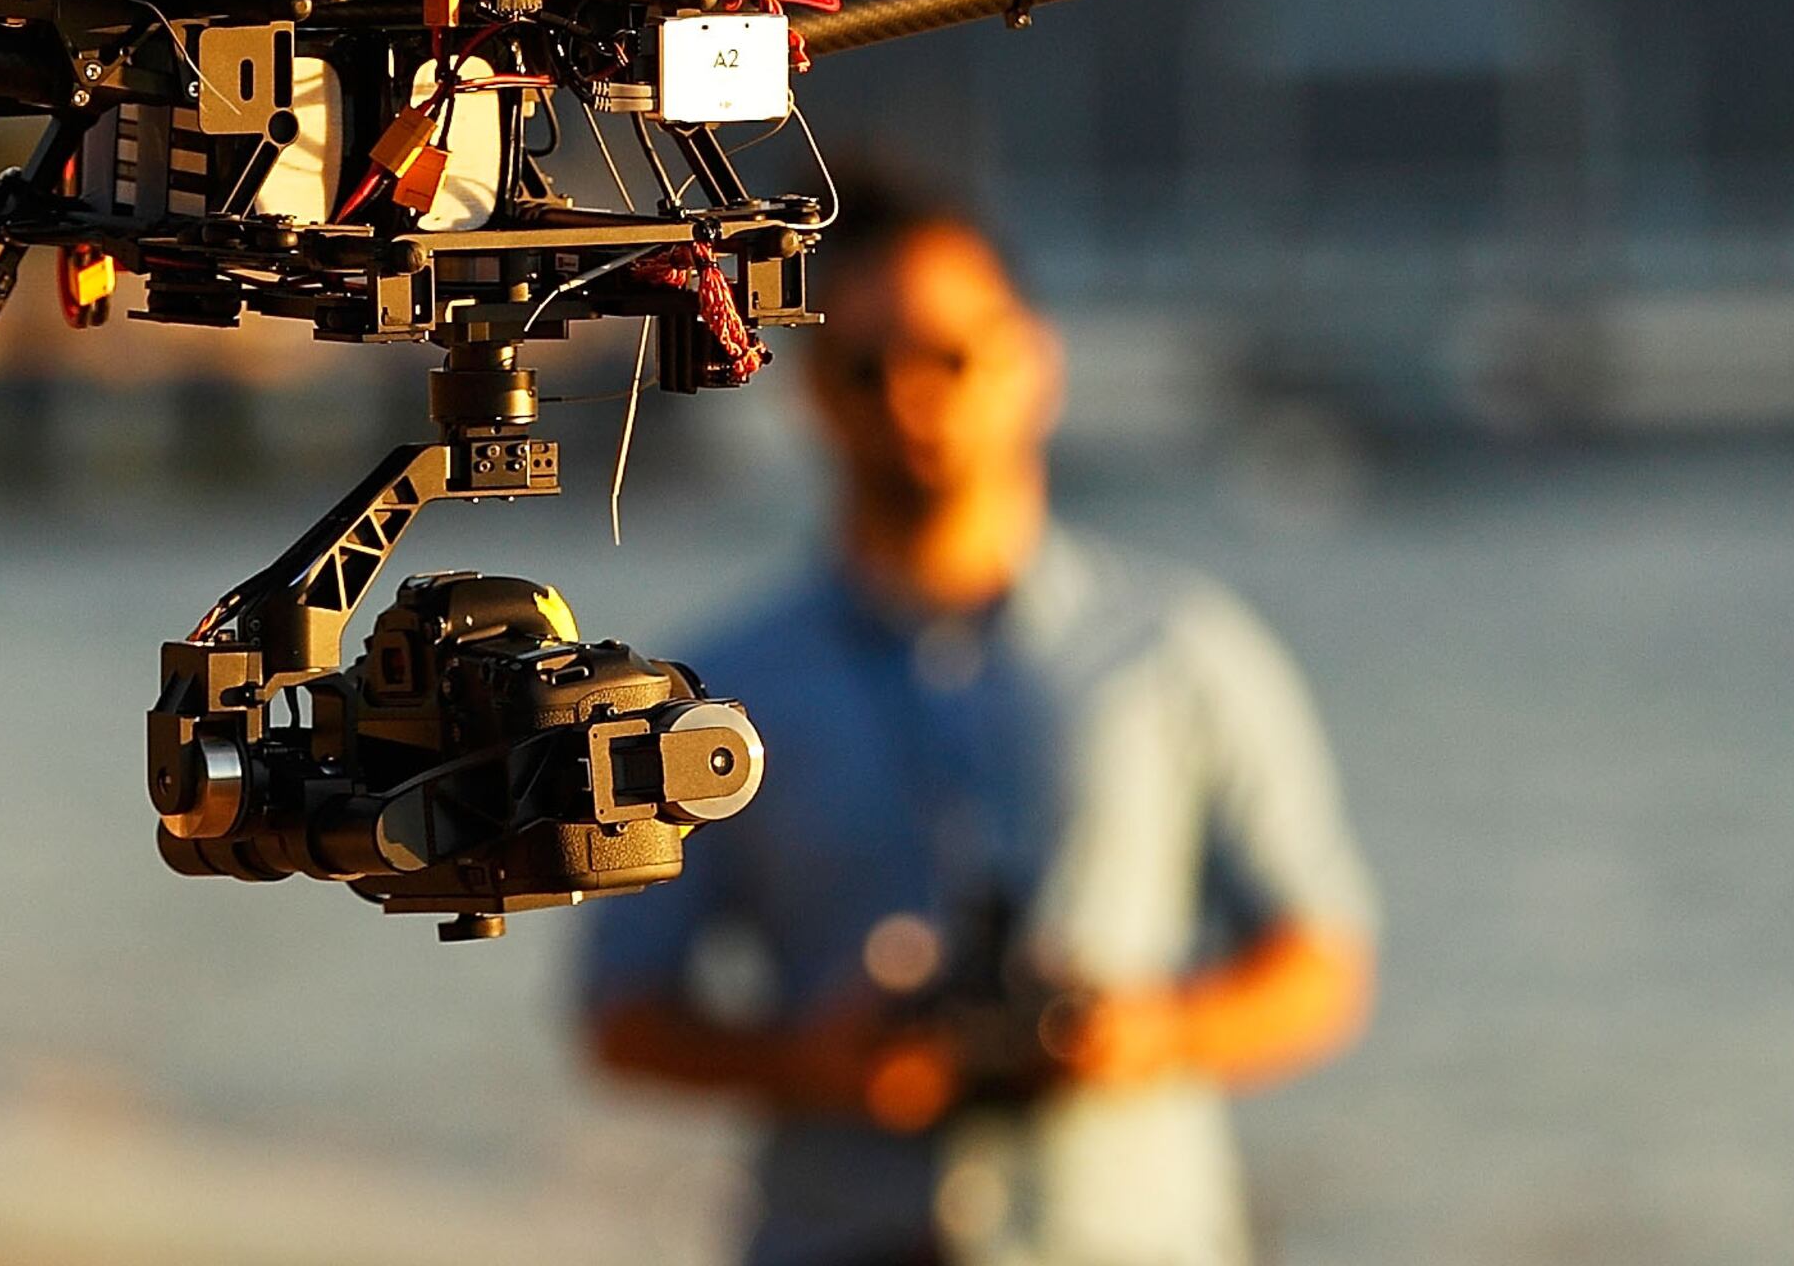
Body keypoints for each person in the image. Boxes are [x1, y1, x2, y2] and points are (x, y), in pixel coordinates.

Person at [578, 178, 1376, 1266]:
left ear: (1034, 362)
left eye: (949, 356)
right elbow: (620, 1011)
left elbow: (1321, 962)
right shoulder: (715, 696)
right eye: (867, 366)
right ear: (811, 392)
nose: (911, 396)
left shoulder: (1180, 652)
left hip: (1131, 1238)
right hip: (838, 1237)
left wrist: (1145, 1035)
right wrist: (817, 1064)